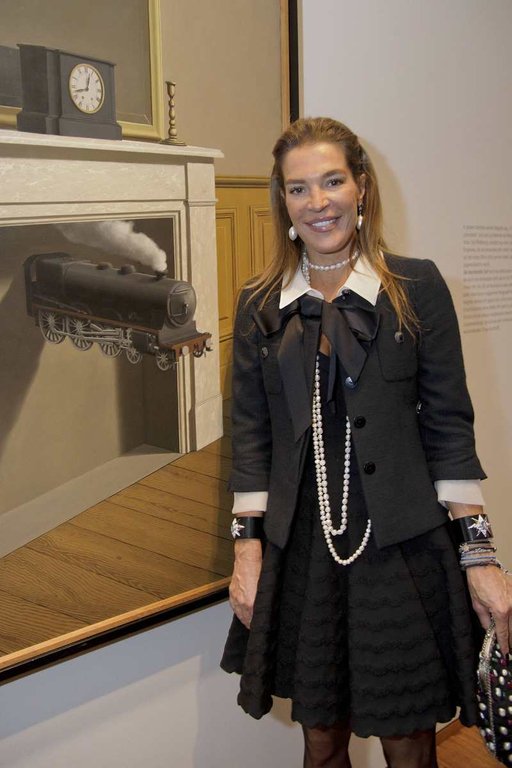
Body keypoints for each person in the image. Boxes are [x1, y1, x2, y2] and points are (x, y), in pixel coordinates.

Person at [220, 117, 512, 768]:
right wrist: (246, 552)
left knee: (408, 741)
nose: (317, 202)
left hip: (400, 550)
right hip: (306, 552)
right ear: (283, 201)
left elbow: (448, 426)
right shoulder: (260, 304)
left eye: (332, 182)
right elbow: (252, 436)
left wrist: (480, 556)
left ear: (361, 188)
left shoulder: (416, 288)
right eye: (299, 188)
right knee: (322, 741)